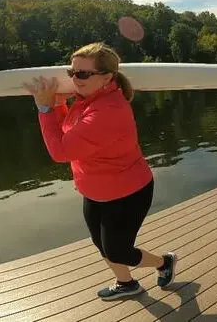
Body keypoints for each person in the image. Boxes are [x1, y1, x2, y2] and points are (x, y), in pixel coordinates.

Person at [23, 42, 177, 301]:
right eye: (72, 72)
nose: (75, 79)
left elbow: (61, 152)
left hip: (127, 192)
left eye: (83, 74)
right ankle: (126, 283)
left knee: (117, 250)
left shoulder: (108, 111)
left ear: (107, 77)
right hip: (94, 189)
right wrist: (59, 102)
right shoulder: (86, 100)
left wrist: (45, 108)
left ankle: (164, 262)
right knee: (101, 244)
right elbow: (67, 134)